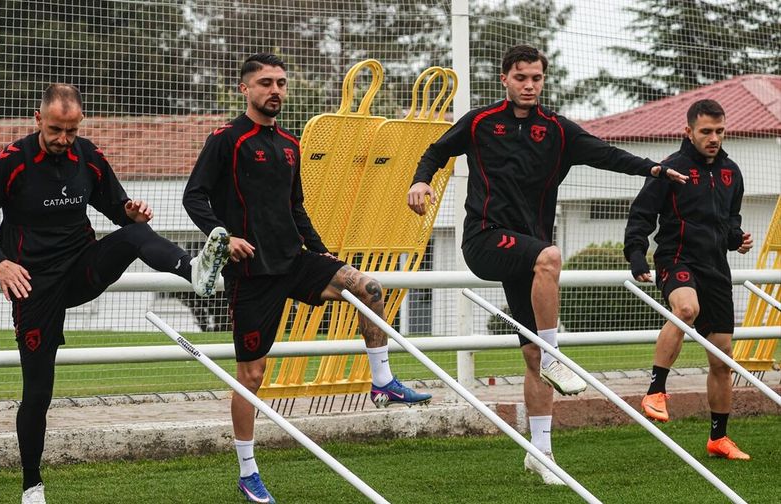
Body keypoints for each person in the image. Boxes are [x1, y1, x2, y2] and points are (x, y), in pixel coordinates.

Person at [408, 45, 688, 485]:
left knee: (532, 354)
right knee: (551, 257)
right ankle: (558, 354)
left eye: (536, 78)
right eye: (521, 77)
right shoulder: (481, 122)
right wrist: (421, 181)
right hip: (484, 238)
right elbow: (435, 152)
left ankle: (541, 452)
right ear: (505, 79)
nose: (529, 85)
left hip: (530, 254)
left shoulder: (557, 130)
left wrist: (654, 169)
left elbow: (608, 154)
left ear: (543, 80)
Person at [183, 53, 432, 503]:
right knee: (251, 376)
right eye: (265, 83)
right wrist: (226, 237)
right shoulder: (226, 139)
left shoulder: (290, 145)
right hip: (253, 272)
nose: (274, 90)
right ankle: (247, 471)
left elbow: (296, 209)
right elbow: (193, 196)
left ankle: (382, 382)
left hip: (295, 260)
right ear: (246, 90)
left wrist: (322, 252)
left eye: (280, 82)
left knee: (368, 287)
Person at [0, 84, 227, 504]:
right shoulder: (11, 161)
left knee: (136, 234)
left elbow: (115, 205)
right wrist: (0, 263)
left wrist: (129, 213)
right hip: (35, 286)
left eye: (71, 130)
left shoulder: (88, 155)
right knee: (38, 391)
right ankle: (32, 485)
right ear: (37, 119)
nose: (63, 139)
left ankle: (191, 269)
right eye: (55, 130)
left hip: (82, 268)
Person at [625, 99, 753, 460]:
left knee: (722, 357)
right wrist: (636, 254)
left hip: (716, 268)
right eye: (706, 132)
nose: (714, 138)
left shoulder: (731, 172)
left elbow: (729, 222)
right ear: (689, 132)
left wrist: (737, 239)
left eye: (720, 131)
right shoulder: (671, 168)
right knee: (685, 309)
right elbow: (641, 215)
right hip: (677, 259)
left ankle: (718, 438)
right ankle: (655, 391)